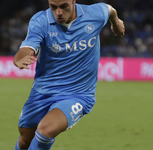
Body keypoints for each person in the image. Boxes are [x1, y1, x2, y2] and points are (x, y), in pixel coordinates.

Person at [13, 0, 125, 149]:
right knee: (25, 139)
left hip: (78, 94)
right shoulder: (41, 20)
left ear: (73, 1)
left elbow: (110, 10)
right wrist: (20, 58)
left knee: (46, 130)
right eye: (53, 7)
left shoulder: (94, 14)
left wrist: (115, 22)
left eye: (64, 6)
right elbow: (28, 47)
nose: (58, 13)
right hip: (42, 91)